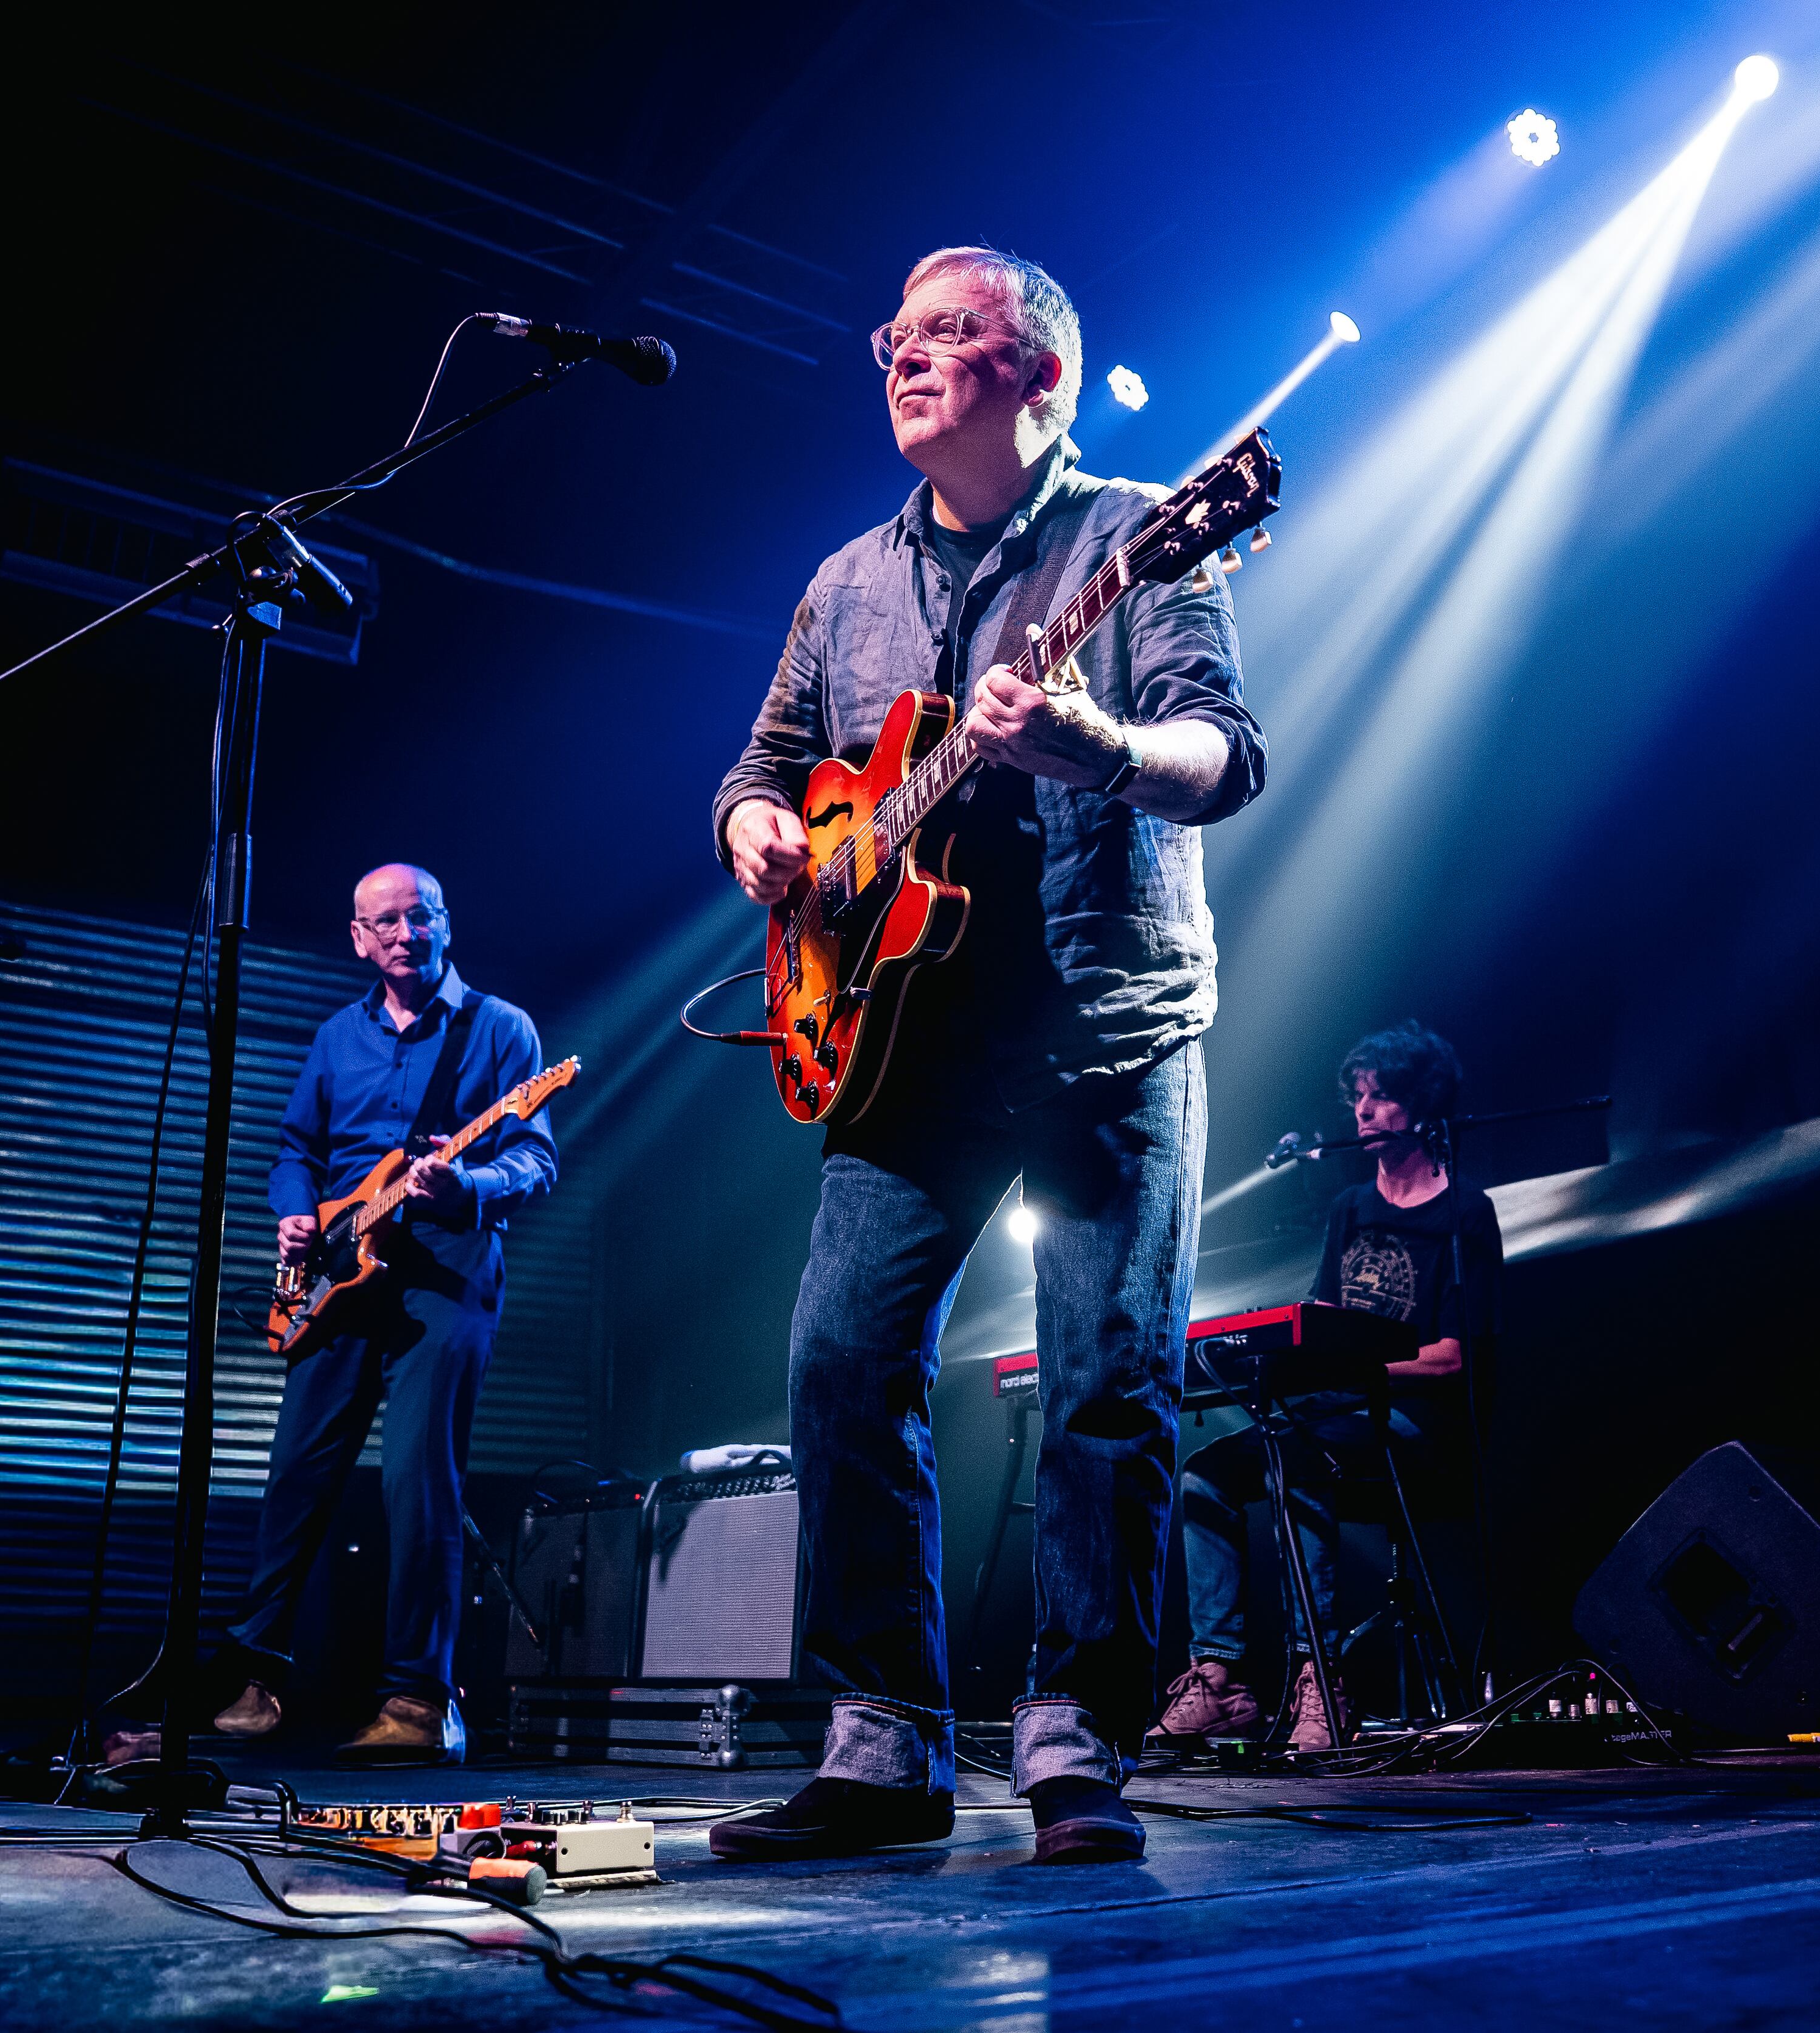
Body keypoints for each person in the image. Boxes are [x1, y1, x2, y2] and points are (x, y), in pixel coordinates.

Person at [706, 247, 1265, 1865]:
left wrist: (1100, 744)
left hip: (1107, 1028)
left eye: (952, 330)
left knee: (1107, 1385)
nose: (908, 352)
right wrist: (757, 832)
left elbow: (1223, 753)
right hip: (903, 1046)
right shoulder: (844, 582)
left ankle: (1077, 1734)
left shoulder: (1138, 531)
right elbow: (762, 767)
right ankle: (883, 1740)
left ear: (1043, 377)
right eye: (899, 331)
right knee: (839, 1362)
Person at [209, 862, 557, 1763]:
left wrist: (462, 1185)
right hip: (338, 1272)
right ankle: (256, 1679)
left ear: (445, 923)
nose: (407, 934)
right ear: (359, 939)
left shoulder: (500, 1028)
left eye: (421, 916)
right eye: (387, 922)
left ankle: (417, 1701)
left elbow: (534, 1160)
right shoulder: (337, 1036)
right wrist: (296, 1214)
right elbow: (296, 1149)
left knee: (418, 1479)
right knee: (295, 1476)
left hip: (446, 1267)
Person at [1159, 1020, 1501, 1748]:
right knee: (1203, 1476)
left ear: (1422, 1106)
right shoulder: (1350, 1209)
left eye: (1381, 1097)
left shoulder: (1464, 1213)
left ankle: (1321, 1676)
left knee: (1301, 1458)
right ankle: (1218, 1680)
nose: (1363, 1112)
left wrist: (1352, 1369)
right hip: (1331, 1414)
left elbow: (1450, 1358)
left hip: (1414, 1427)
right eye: (1357, 1098)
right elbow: (1321, 1325)